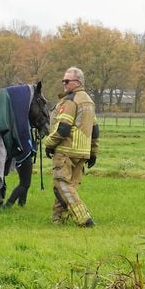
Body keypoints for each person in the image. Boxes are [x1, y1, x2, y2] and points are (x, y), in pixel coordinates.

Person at [43, 67, 99, 227]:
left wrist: (49, 144)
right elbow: (95, 130)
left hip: (66, 150)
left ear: (78, 82)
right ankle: (57, 219)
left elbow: (63, 128)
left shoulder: (71, 100)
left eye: (67, 81)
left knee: (62, 184)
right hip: (82, 151)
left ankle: (84, 218)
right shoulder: (88, 100)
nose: (64, 84)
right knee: (67, 186)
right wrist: (93, 151)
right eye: (63, 81)